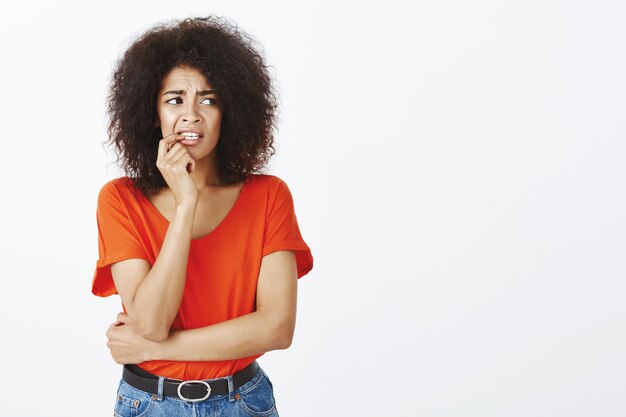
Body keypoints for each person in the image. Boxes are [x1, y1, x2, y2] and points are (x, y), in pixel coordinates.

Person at [91, 16, 314, 417]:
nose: (191, 115)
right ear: (151, 112)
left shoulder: (268, 196)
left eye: (208, 100)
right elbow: (152, 322)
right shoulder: (119, 200)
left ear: (231, 112)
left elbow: (277, 329)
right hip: (149, 404)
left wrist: (153, 349)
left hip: (243, 402)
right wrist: (185, 204)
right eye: (175, 99)